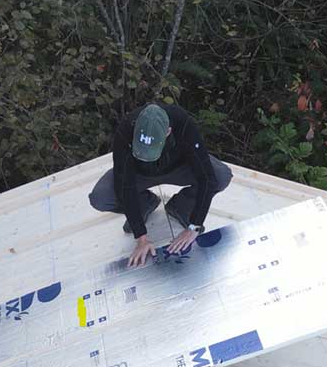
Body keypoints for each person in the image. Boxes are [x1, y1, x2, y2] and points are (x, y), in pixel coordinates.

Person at [89, 103, 233, 267]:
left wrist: (194, 226)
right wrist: (141, 237)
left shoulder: (183, 123)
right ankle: (145, 203)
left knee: (221, 176)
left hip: (178, 168)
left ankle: (182, 207)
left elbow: (207, 178)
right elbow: (124, 185)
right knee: (100, 198)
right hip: (139, 174)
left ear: (168, 132)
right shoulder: (125, 129)